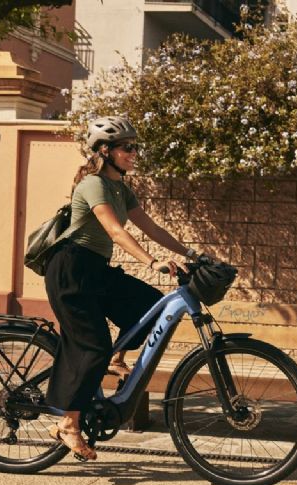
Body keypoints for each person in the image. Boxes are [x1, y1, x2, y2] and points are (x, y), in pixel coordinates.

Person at [45, 116, 198, 460]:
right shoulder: (94, 185)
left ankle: (115, 357)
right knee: (92, 345)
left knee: (150, 305)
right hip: (70, 269)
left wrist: (191, 253)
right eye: (127, 147)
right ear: (105, 151)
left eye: (135, 147)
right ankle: (67, 423)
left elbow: (152, 227)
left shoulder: (121, 189)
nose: (134, 153)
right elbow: (115, 231)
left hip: (94, 270)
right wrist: (151, 262)